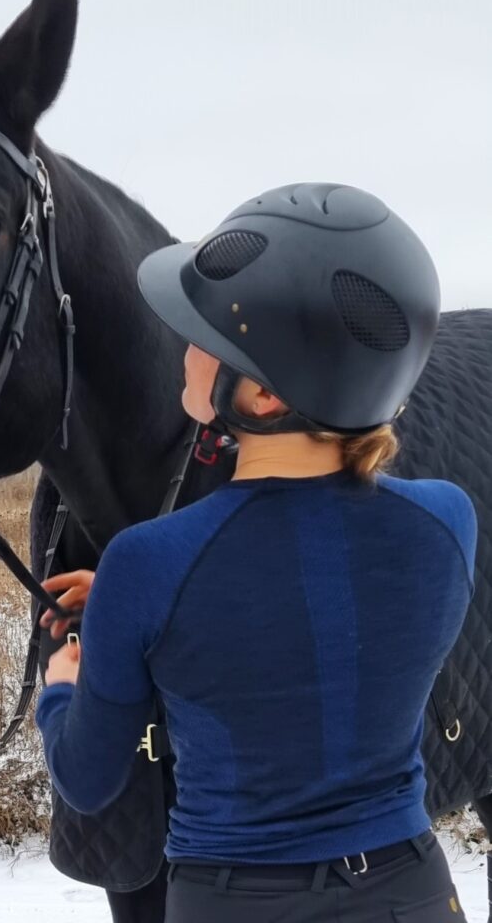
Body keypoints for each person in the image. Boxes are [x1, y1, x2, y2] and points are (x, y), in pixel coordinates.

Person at [35, 183, 477, 922]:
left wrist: (61, 685)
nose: (185, 347)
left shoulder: (148, 563)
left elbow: (85, 777)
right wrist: (131, 599)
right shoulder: (445, 522)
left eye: (204, 337)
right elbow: (319, 614)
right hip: (414, 893)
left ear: (263, 397)